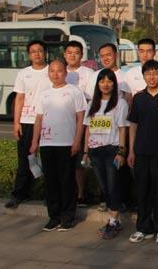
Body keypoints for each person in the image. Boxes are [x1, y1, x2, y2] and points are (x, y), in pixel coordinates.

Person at [29, 59, 87, 231]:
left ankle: (68, 217)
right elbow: (38, 119)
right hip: (47, 144)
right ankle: (54, 217)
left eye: (59, 70)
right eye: (52, 71)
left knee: (66, 181)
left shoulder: (74, 91)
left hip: (67, 143)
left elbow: (81, 118)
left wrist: (77, 141)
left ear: (65, 72)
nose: (56, 74)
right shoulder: (44, 94)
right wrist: (34, 142)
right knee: (51, 181)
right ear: (48, 74)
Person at [127, 60, 158, 244]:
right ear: (143, 76)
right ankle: (143, 227)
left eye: (155, 73)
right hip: (141, 152)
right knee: (142, 191)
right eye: (148, 74)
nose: (152, 77)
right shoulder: (138, 98)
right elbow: (133, 126)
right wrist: (131, 151)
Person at [82, 69, 129, 239]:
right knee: (104, 187)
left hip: (112, 151)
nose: (106, 84)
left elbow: (123, 130)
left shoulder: (120, 104)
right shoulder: (92, 104)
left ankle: (113, 221)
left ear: (114, 84)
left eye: (109, 81)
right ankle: (113, 220)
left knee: (113, 185)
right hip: (95, 152)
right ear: (98, 84)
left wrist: (121, 153)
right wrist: (86, 152)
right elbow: (88, 129)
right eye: (102, 81)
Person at [6, 40, 51, 209]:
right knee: (24, 159)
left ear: (45, 52)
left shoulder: (53, 71)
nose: (37, 54)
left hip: (48, 121)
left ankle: (49, 195)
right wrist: (16, 123)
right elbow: (19, 98)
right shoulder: (23, 74)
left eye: (40, 50)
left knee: (48, 160)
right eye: (33, 51)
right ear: (29, 55)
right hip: (27, 121)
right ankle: (19, 194)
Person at [63, 40, 95, 208]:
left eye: (76, 53)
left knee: (79, 162)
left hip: (81, 122)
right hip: (62, 123)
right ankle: (65, 194)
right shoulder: (59, 71)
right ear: (64, 54)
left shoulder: (89, 73)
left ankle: (81, 195)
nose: (72, 55)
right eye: (69, 52)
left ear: (81, 55)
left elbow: (90, 99)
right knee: (63, 162)